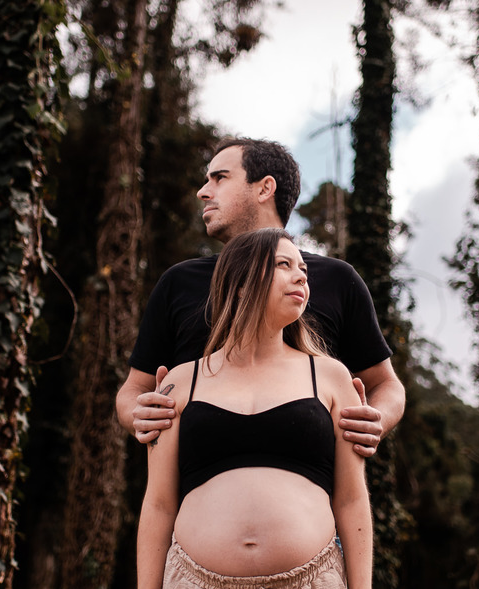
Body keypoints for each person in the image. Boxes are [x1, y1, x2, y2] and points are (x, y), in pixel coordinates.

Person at [136, 228, 373, 589]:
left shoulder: (328, 375)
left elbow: (352, 498)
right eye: (284, 265)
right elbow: (159, 503)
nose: (301, 277)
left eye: (303, 270)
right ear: (242, 282)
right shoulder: (182, 381)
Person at [116, 137, 404, 456]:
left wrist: (374, 420)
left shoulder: (337, 280)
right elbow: (134, 389)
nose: (203, 191)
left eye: (219, 177)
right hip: (197, 498)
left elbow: (385, 383)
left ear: (264, 189)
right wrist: (138, 415)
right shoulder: (178, 282)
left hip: (311, 497)